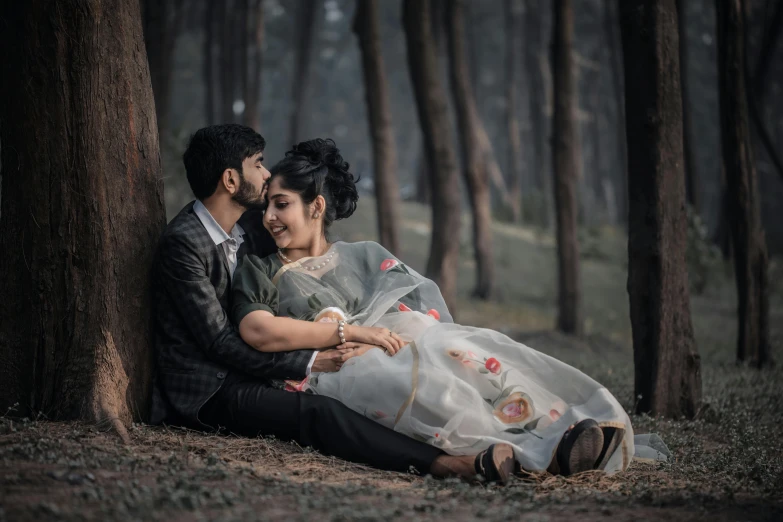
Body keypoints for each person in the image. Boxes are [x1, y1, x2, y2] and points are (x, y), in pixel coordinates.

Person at [231, 138, 636, 477]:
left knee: (456, 350)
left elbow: (418, 309)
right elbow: (258, 331)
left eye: (281, 204)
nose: (268, 217)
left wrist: (389, 339)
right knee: (415, 382)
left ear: (316, 207)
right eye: (266, 206)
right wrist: (350, 339)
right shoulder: (262, 270)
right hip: (336, 372)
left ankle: (567, 429)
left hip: (395, 344)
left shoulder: (363, 256)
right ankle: (532, 453)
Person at [150, 124, 518, 484]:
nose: (266, 174)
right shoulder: (184, 243)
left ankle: (507, 429)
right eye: (258, 164)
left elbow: (304, 232)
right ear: (231, 181)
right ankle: (446, 465)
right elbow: (220, 343)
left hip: (252, 364)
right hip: (210, 388)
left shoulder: (248, 227)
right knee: (318, 411)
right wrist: (312, 359)